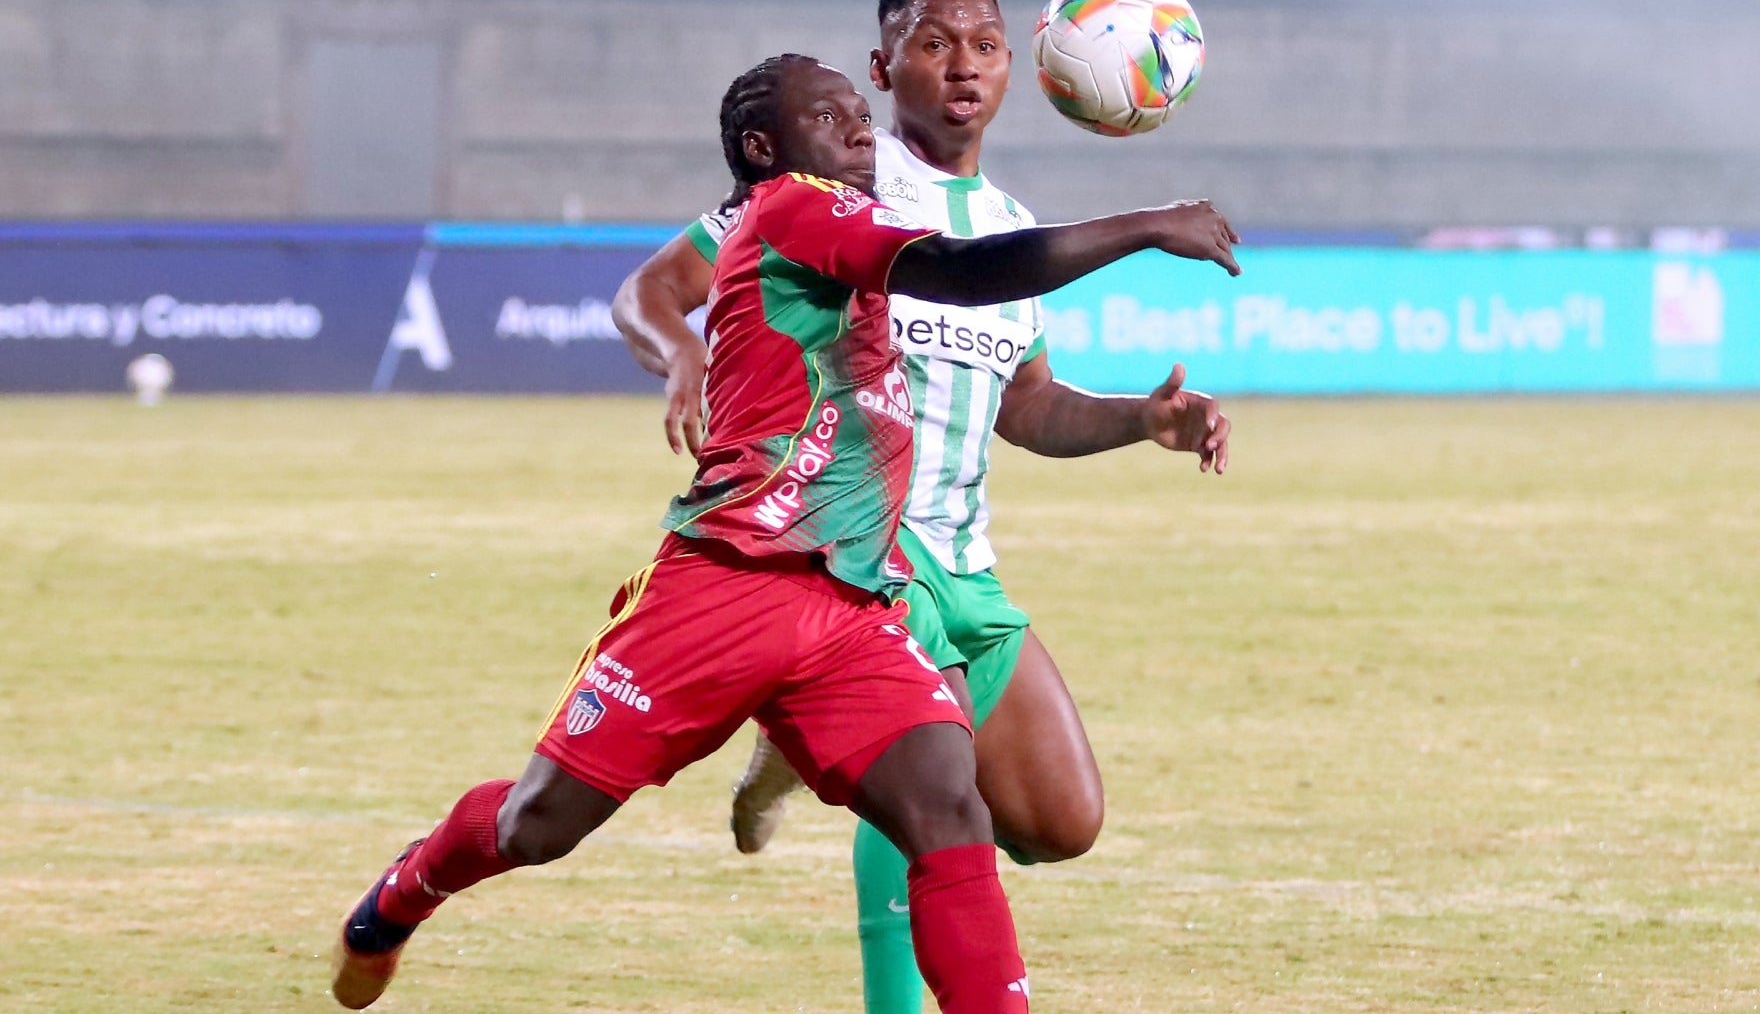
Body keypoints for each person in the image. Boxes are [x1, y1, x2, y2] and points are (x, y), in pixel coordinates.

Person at [330, 53, 1241, 1014]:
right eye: (835, 117)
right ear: (767, 148)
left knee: (947, 809)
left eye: (861, 113)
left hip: (851, 602)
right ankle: (401, 895)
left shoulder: (866, 222)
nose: (860, 131)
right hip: (724, 588)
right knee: (539, 824)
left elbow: (1008, 358)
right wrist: (1146, 223)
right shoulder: (794, 210)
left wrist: (1140, 418)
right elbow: (963, 272)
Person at [611, 0, 1235, 1013]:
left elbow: (1027, 409)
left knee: (1061, 823)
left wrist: (1143, 421)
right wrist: (680, 351)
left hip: (964, 564)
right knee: (938, 804)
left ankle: (800, 755)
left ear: (1017, 70)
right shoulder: (823, 193)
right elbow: (650, 291)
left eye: (985, 46)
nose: (963, 67)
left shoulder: (1010, 220)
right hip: (851, 559)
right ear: (882, 65)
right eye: (934, 43)